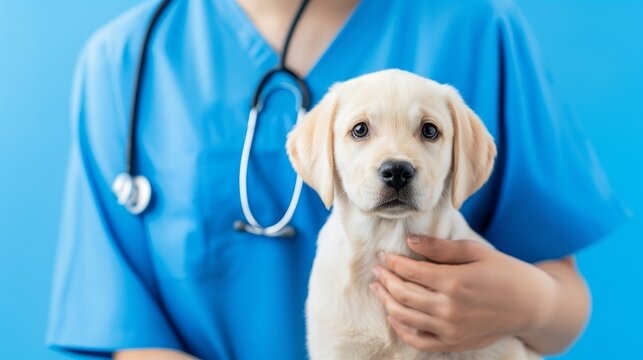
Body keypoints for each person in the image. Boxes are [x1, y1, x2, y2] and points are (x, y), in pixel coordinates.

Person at [47, 0, 626, 359]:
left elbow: (564, 308)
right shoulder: (125, 61)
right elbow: (123, 326)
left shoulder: (478, 24)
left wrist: (526, 302)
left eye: (427, 133)